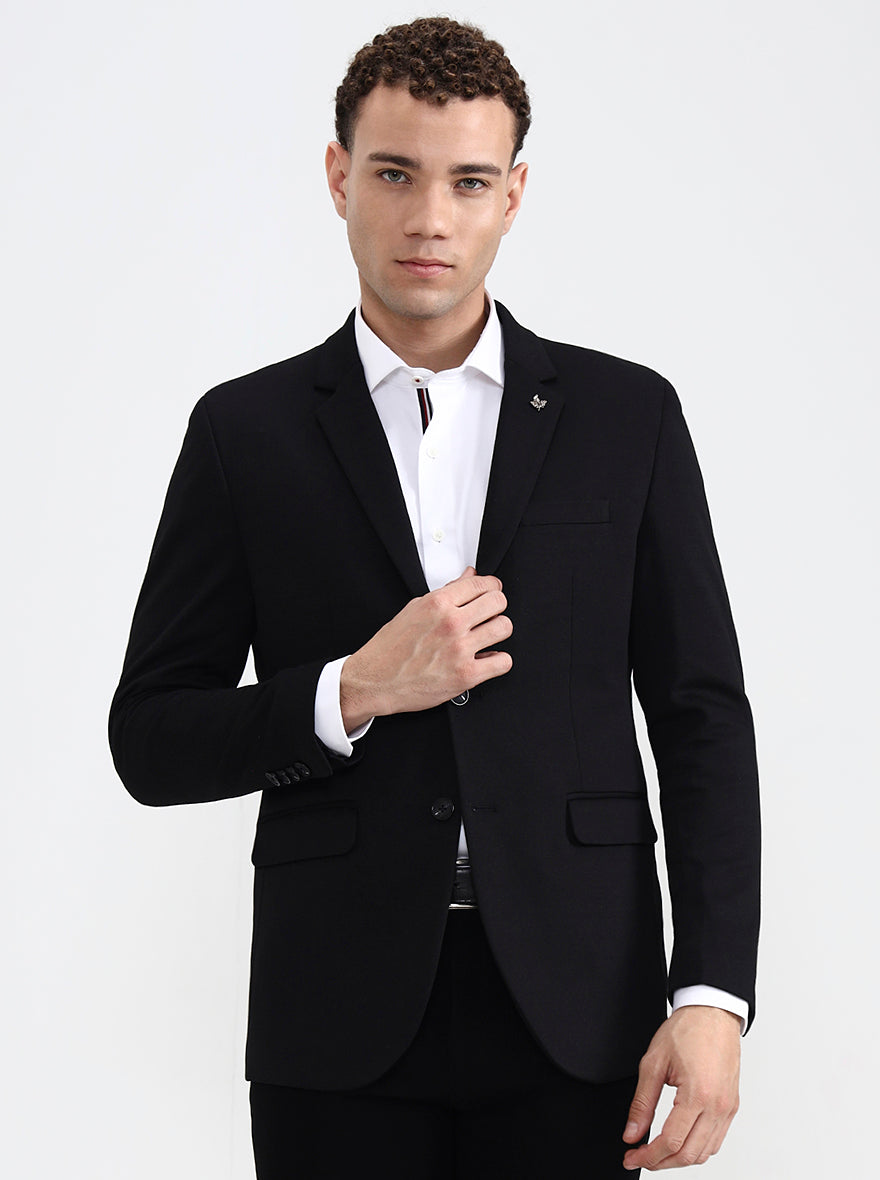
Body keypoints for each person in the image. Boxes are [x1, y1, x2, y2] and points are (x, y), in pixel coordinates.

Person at [109, 16, 760, 1179]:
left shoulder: (628, 418)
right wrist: (351, 690)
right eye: (394, 174)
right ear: (337, 177)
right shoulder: (245, 432)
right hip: (335, 1007)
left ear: (512, 194)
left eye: (466, 181)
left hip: (580, 1003)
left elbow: (700, 714)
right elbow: (151, 738)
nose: (428, 218)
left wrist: (711, 991)